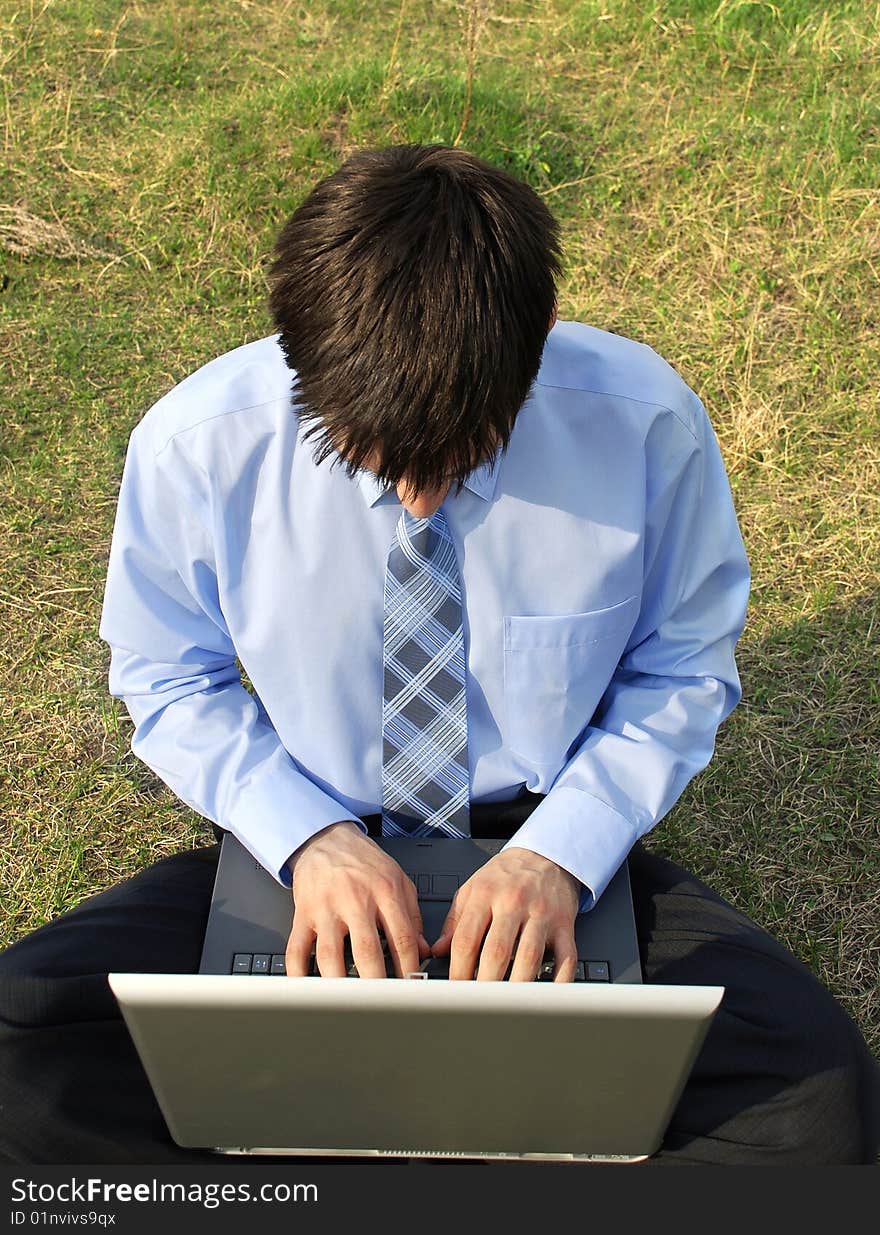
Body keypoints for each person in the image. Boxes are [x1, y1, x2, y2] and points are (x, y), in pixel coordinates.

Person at [0, 144, 877, 1165]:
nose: (419, 501)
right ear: (296, 354)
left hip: (541, 832)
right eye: (374, 463)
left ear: (541, 342)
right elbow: (167, 677)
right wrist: (309, 839)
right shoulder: (199, 446)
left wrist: (556, 855)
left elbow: (679, 670)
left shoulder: (645, 426)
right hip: (306, 835)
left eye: (460, 460)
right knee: (20, 1039)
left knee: (819, 1100)